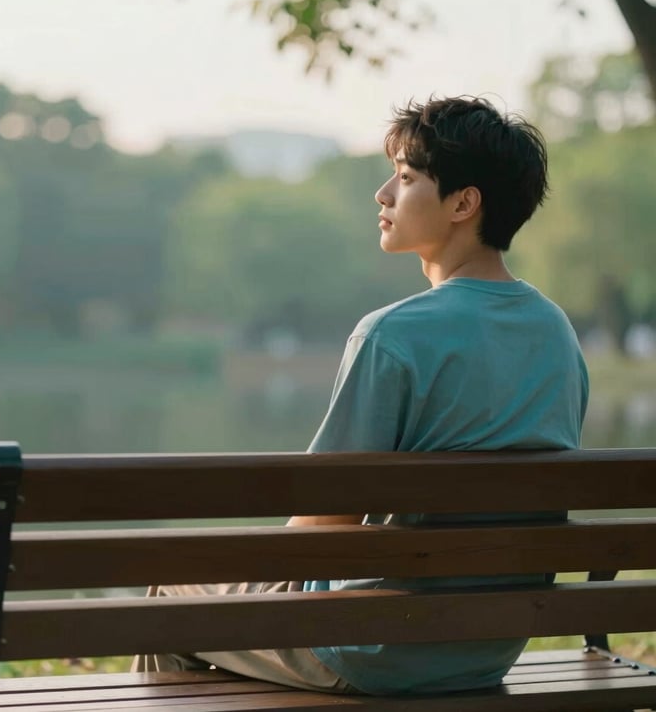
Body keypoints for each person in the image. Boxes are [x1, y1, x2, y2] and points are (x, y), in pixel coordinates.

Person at [133, 95, 589, 695]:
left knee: (172, 588)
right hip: (486, 647)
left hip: (370, 646)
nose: (383, 194)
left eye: (405, 178)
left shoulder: (391, 333)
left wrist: (256, 576)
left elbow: (324, 517)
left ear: (463, 202)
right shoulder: (556, 332)